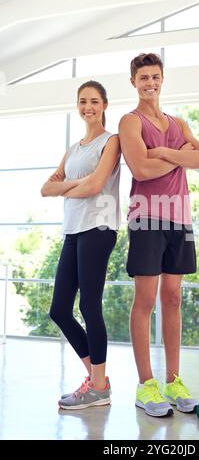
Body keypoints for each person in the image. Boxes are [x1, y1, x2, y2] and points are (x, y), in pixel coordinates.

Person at [119, 53, 199, 418]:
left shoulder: (178, 122)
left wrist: (166, 152)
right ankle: (146, 385)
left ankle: (174, 380)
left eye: (155, 76)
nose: (150, 83)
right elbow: (141, 167)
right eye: (143, 77)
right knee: (146, 300)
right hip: (146, 218)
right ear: (134, 82)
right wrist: (181, 155)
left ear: (162, 78)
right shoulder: (130, 122)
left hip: (179, 218)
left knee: (173, 298)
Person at [41, 80, 121, 410]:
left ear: (104, 105)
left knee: (89, 306)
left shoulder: (111, 141)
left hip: (99, 227)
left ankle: (98, 387)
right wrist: (76, 185)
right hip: (73, 230)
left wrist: (67, 188)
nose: (88, 106)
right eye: (82, 101)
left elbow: (98, 184)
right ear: (78, 106)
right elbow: (46, 189)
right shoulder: (73, 150)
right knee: (59, 309)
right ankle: (97, 380)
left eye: (94, 101)